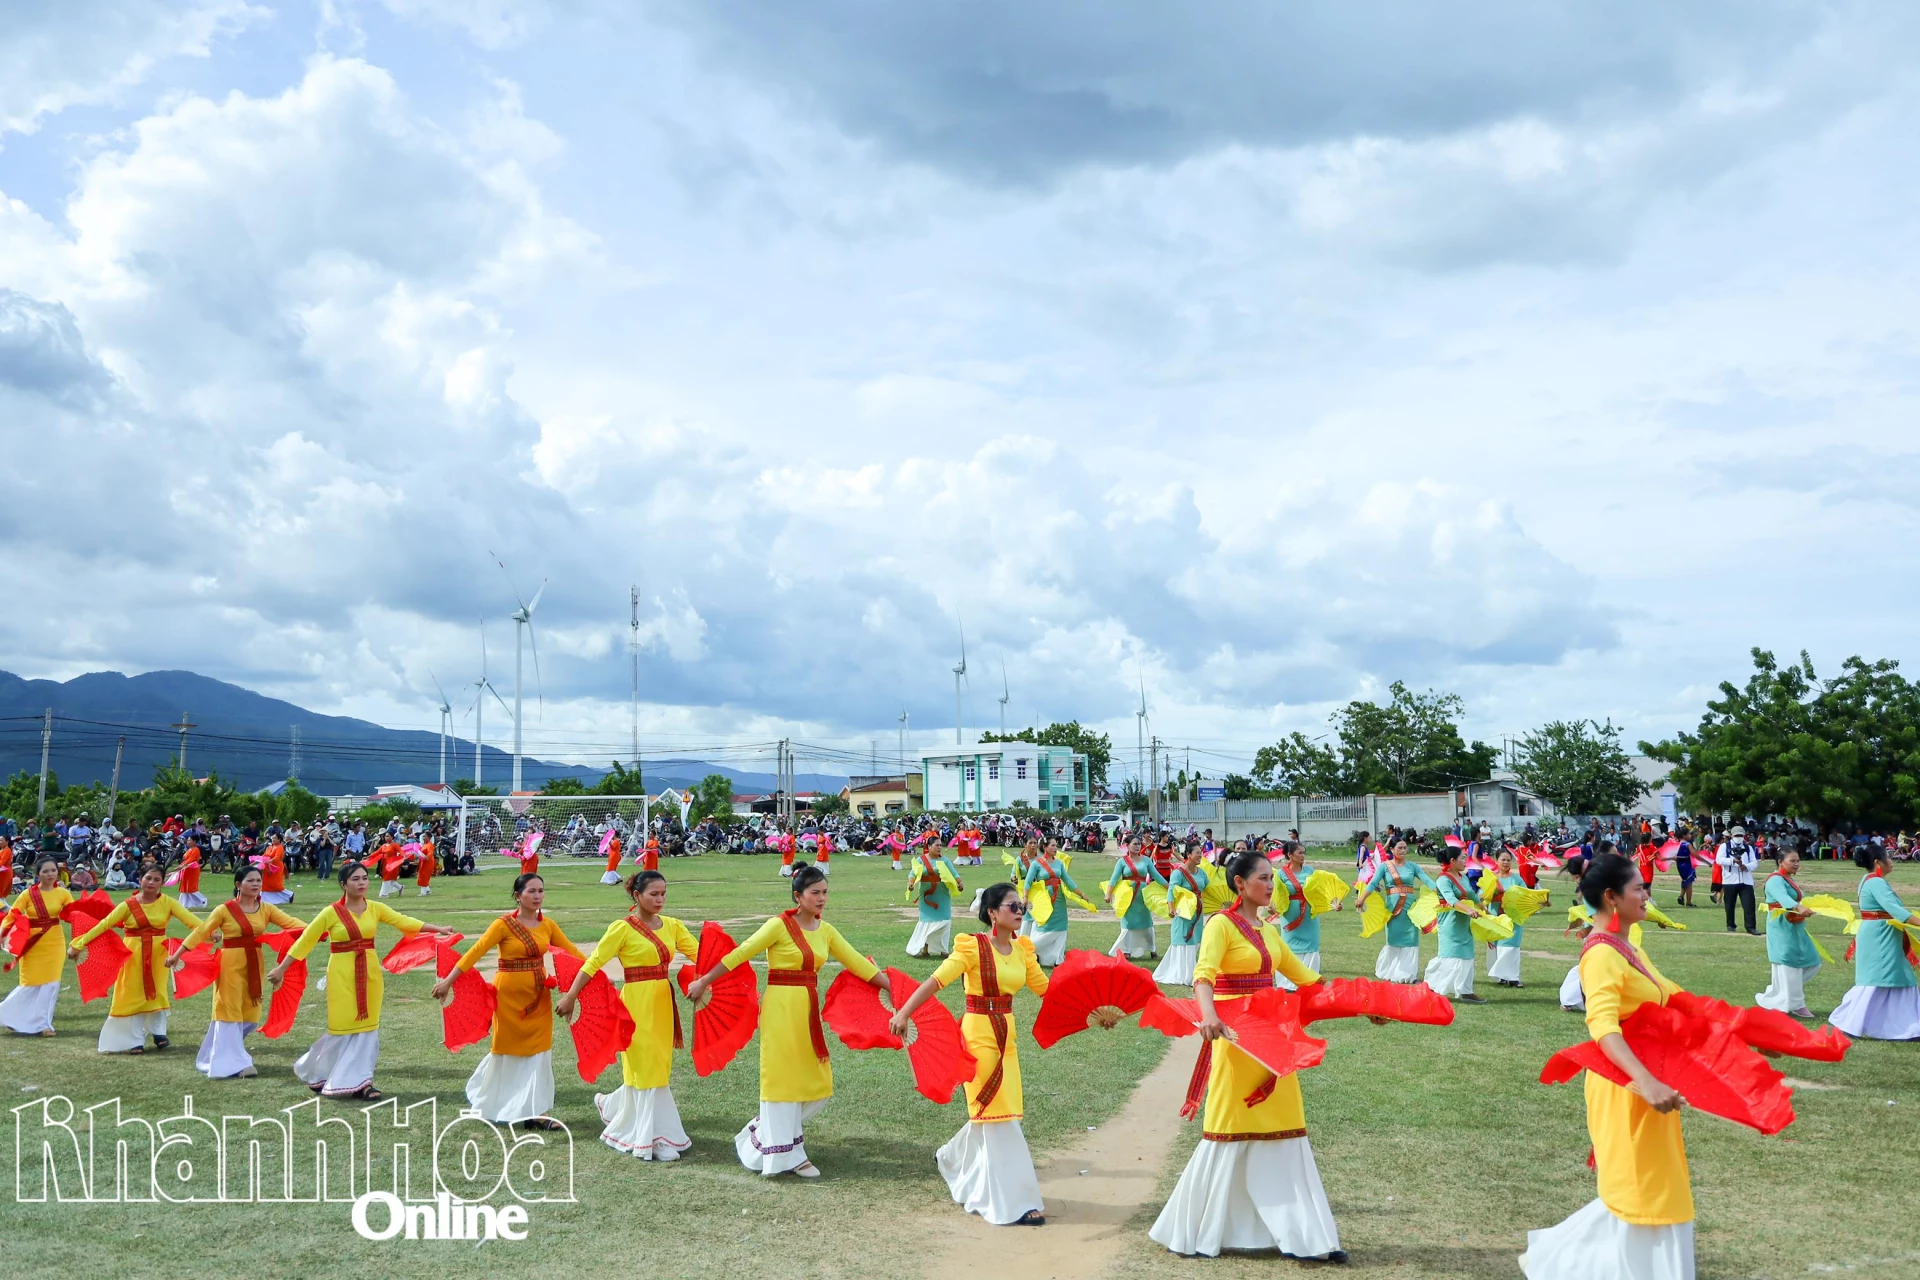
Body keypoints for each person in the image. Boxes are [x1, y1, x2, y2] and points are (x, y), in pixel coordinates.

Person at [1148, 851, 1344, 1263]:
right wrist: (1209, 1016)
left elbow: (1310, 982)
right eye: (1263, 878)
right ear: (1239, 883)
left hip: (1272, 1043)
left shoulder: (1271, 932)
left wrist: (1362, 1006)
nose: (1271, 885)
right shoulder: (1220, 924)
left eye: (1273, 878)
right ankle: (1196, 1231)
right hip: (1234, 1039)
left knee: (1288, 1129)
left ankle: (1306, 1239)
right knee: (1228, 1130)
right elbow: (1203, 975)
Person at [1520, 854, 1693, 1280]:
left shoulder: (1628, 947)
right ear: (1612, 898)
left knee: (1652, 1185)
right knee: (1638, 1187)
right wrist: (1646, 1082)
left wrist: (1745, 1036)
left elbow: (1674, 999)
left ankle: (1568, 1261)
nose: (1646, 895)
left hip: (1647, 1081)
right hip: (1626, 1085)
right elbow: (1602, 1026)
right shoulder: (1600, 954)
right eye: (1639, 888)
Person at [682, 865, 887, 1177]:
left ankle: (767, 1133)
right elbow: (741, 954)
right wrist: (704, 981)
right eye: (815, 893)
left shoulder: (826, 931)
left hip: (806, 1010)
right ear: (798, 896)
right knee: (782, 1078)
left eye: (825, 892)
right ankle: (787, 1156)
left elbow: (857, 962)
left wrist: (893, 988)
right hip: (780, 1008)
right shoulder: (778, 925)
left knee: (817, 1083)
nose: (822, 898)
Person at [889, 883, 1049, 1226]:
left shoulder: (1022, 949)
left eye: (1021, 906)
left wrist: (1091, 1013)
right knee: (998, 1116)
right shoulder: (972, 947)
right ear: (992, 913)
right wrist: (904, 1012)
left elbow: (1048, 991)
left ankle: (951, 1156)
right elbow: (935, 981)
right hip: (978, 1036)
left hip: (1007, 1038)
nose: (1019, 911)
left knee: (1000, 1113)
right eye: (1011, 906)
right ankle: (1015, 1201)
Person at [266, 861, 452, 1100]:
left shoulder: (375, 908)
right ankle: (318, 1072)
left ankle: (362, 1083)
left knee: (368, 1030)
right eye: (355, 879)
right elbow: (305, 941)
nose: (362, 882)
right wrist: (281, 968)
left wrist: (438, 928)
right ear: (343, 884)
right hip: (341, 976)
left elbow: (404, 921)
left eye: (364, 878)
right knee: (341, 1028)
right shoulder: (331, 912)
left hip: (370, 976)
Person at [561, 869, 697, 1159]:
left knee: (658, 1065)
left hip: (663, 1003)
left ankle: (613, 1105)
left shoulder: (673, 926)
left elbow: (703, 956)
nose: (660, 899)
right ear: (637, 895)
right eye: (653, 894)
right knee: (645, 1066)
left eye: (663, 894)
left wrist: (718, 975)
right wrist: (571, 996)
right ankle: (652, 1138)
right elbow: (593, 963)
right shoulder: (621, 928)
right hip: (635, 1005)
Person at [434, 873, 583, 1125]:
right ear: (518, 896)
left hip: (539, 996)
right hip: (508, 997)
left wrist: (595, 973)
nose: (537, 896)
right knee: (506, 1049)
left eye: (541, 891)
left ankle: (537, 1113)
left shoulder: (548, 925)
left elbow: (573, 952)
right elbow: (475, 952)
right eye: (531, 891)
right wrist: (448, 981)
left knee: (539, 1052)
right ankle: (494, 1101)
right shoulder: (503, 925)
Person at [174, 865, 305, 1077]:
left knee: (250, 1014)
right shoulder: (224, 910)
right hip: (230, 965)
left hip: (254, 964)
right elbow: (201, 932)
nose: (255, 884)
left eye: (258, 881)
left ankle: (219, 1055)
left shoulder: (266, 909)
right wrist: (178, 954)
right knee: (229, 1010)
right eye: (250, 880)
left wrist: (316, 931)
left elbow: (292, 924)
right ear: (238, 884)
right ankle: (235, 1064)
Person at [69, 860, 204, 1054]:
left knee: (157, 991)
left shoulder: (168, 903)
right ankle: (134, 1040)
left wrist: (209, 932)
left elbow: (192, 922)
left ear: (162, 882)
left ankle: (158, 1032)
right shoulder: (128, 905)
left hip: (159, 955)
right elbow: (104, 925)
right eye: (148, 878)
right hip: (132, 954)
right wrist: (79, 943)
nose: (151, 882)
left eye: (156, 879)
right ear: (140, 879)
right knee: (131, 992)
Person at [1828, 844, 1920, 1040]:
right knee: (1877, 979)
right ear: (1878, 862)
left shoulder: (1868, 880)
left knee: (1893, 977)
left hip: (1881, 933)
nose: (1892, 861)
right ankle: (1851, 1022)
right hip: (1880, 935)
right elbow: (1896, 910)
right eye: (1889, 857)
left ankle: (1906, 1026)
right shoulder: (1876, 883)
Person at [0, 858, 75, 1035]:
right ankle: (8, 1016)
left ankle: (43, 1024)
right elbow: (12, 915)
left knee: (51, 984)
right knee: (29, 983)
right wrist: (1, 933)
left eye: (53, 870)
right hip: (32, 942)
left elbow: (74, 915)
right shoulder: (27, 894)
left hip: (55, 942)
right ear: (38, 874)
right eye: (45, 871)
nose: (50, 874)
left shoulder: (63, 894)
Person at [1752, 847, 1821, 1020]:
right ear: (1780, 862)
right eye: (1792, 861)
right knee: (1789, 963)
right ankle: (1797, 1005)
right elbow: (1783, 898)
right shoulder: (1775, 880)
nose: (1796, 864)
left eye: (1798, 860)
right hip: (1781, 925)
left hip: (1794, 925)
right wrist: (1798, 907)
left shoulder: (1787, 879)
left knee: (1812, 961)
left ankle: (1780, 994)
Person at [1360, 839, 1435, 983]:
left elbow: (1427, 880)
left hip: (1410, 908)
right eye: (1399, 848)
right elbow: (1373, 883)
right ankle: (1390, 971)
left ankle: (1409, 975)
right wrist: (1362, 899)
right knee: (1393, 939)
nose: (1403, 850)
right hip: (1393, 907)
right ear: (1392, 849)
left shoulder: (1413, 866)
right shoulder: (1384, 866)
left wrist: (1441, 893)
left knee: (1411, 939)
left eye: (1405, 848)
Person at [1425, 846, 1487, 1003]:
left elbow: (1472, 895)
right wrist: (1469, 910)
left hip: (1464, 922)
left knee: (1467, 954)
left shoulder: (1463, 877)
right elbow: (1451, 900)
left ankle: (1465, 991)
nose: (1465, 861)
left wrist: (1484, 908)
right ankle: (1433, 987)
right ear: (1452, 861)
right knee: (1450, 954)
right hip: (1450, 922)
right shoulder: (1443, 880)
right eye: (1462, 858)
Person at [1269, 843, 1333, 985]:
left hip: (1310, 916)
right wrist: (1273, 908)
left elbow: (1319, 891)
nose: (1303, 855)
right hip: (1290, 916)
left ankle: (1309, 981)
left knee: (1312, 946)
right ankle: (1287, 983)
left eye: (1304, 852)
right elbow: (1276, 894)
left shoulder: (1310, 871)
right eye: (1299, 853)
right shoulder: (1281, 874)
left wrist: (1332, 903)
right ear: (1290, 855)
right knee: (1289, 947)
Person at [1020, 841, 1089, 968]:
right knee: (1043, 928)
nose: (1055, 848)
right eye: (1052, 845)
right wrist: (1025, 897)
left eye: (1056, 846)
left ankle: (1058, 959)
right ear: (1045, 847)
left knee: (1061, 928)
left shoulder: (1059, 863)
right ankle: (1029, 951)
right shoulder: (1036, 864)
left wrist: (1082, 894)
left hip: (1059, 900)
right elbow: (1028, 882)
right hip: (1045, 901)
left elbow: (1068, 881)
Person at [1155, 845, 1214, 985]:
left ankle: (1192, 971)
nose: (1200, 856)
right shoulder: (1178, 873)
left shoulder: (1202, 873)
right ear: (1189, 854)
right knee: (1184, 938)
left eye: (1201, 853)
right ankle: (1183, 974)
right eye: (1197, 853)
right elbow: (1171, 891)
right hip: (1183, 911)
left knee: (1195, 939)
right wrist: (1171, 907)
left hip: (1198, 911)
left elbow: (1208, 888)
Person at [1104, 841, 1169, 960]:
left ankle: (1152, 949)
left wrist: (1169, 888)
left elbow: (1156, 876)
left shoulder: (1146, 860)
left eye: (1139, 844)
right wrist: (1108, 894)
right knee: (1127, 923)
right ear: (1127, 846)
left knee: (1147, 922)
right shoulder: (1122, 861)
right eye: (1134, 844)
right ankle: (1126, 950)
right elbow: (1114, 879)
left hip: (1142, 894)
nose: (1138, 846)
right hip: (1127, 896)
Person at [905, 840, 964, 958]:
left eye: (941, 845)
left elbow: (954, 874)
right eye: (937, 845)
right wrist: (911, 883)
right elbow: (913, 874)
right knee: (927, 922)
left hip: (942, 895)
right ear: (929, 846)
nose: (939, 847)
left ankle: (944, 950)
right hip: (926, 895)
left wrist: (960, 883)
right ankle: (925, 950)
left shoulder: (945, 860)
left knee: (945, 921)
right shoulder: (921, 860)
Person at [1484, 849, 1528, 989]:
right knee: (1498, 946)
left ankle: (1514, 977)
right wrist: (1491, 894)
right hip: (1495, 916)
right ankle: (1502, 976)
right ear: (1496, 861)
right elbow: (1481, 896)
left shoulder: (1517, 879)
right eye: (1503, 859)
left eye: (1508, 860)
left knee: (1511, 947)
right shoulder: (1491, 878)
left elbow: (1526, 894)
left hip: (1513, 916)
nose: (1506, 862)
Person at [1715, 827, 1760, 935]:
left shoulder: (1748, 847)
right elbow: (1719, 860)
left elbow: (1754, 862)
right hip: (1730, 880)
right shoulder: (1724, 846)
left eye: (1741, 835)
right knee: (1730, 905)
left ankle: (1751, 927)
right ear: (1731, 835)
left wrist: (1746, 867)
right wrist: (1733, 861)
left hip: (1746, 881)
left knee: (1749, 905)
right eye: (1736, 835)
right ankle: (1731, 925)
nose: (1739, 838)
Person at [177, 841, 208, 909]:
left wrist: (182, 865)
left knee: (191, 888)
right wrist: (181, 865)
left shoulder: (196, 850)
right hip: (186, 870)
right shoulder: (189, 850)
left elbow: (191, 859)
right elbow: (186, 860)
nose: (188, 842)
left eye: (189, 840)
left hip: (193, 870)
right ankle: (184, 904)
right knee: (184, 887)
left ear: (194, 841)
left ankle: (203, 900)